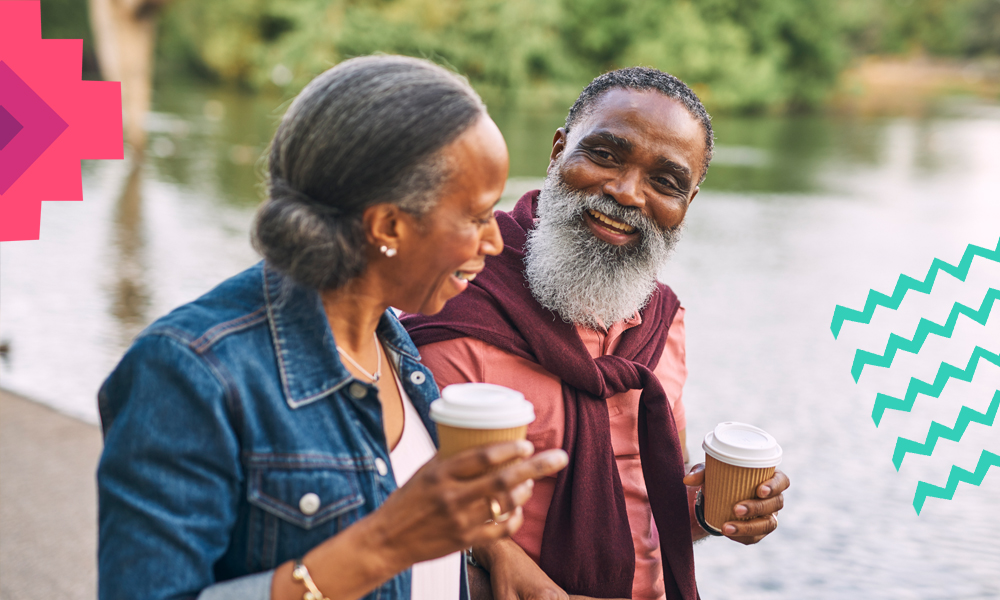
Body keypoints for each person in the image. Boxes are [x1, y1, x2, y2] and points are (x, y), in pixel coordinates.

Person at [96, 55, 568, 600]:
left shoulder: (396, 348)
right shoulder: (188, 371)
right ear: (388, 225)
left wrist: (485, 546)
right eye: (478, 216)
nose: (493, 241)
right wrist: (385, 543)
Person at [403, 67, 791, 600]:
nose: (627, 193)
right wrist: (494, 552)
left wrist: (707, 510)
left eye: (666, 181)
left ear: (688, 203)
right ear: (559, 150)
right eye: (605, 155)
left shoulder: (661, 320)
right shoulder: (456, 295)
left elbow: (645, 508)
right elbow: (397, 497)